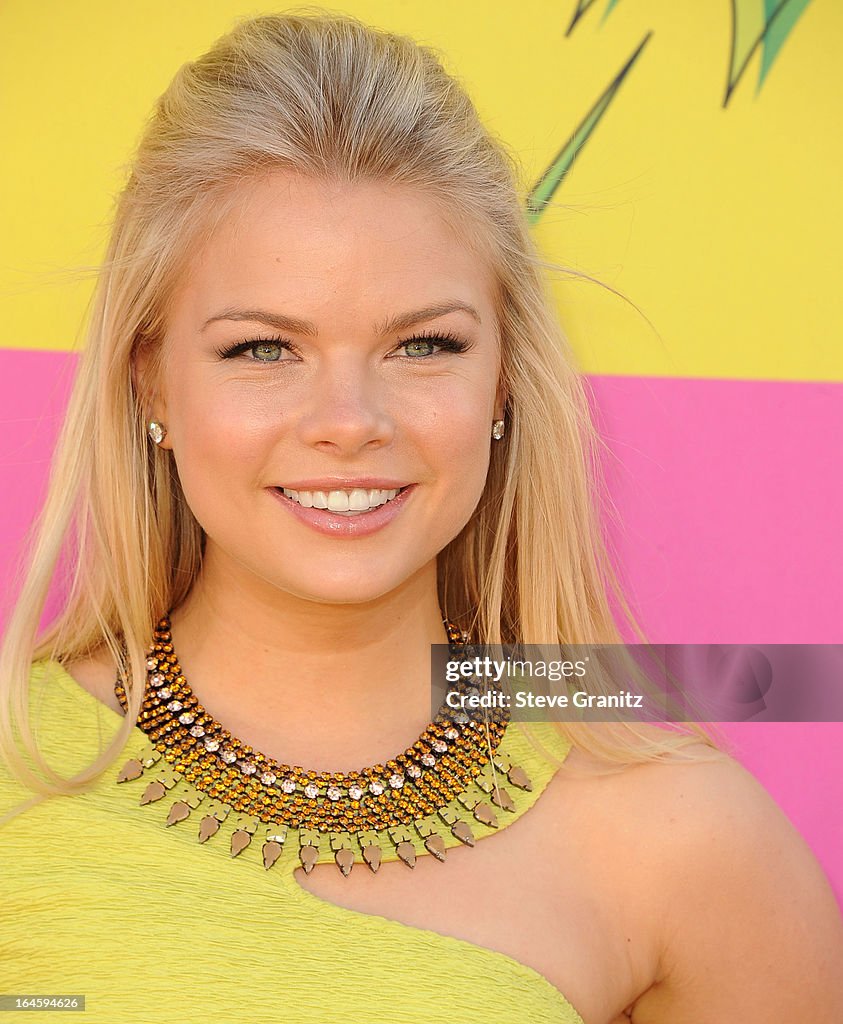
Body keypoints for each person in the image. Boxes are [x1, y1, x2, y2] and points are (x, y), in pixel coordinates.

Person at [1, 10, 841, 1024]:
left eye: (424, 346)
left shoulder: (678, 836)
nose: (349, 424)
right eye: (263, 349)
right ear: (152, 385)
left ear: (502, 386)